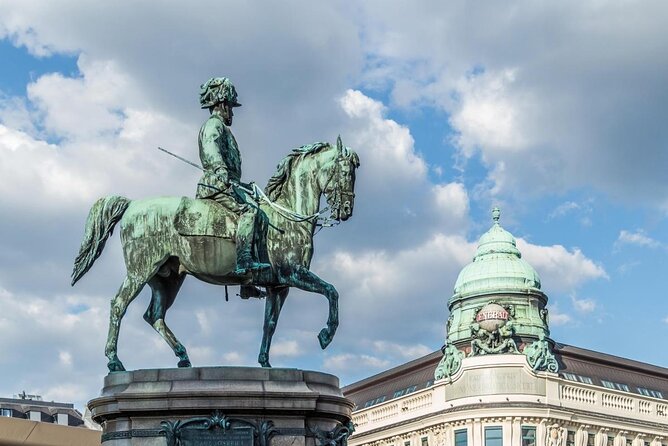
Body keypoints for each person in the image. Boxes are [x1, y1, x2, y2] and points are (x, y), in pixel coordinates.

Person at [196, 77, 270, 275]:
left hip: (227, 182)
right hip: (216, 184)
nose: (232, 112)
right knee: (249, 212)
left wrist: (243, 185)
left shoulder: (222, 126)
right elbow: (210, 146)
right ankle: (244, 261)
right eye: (231, 106)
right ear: (222, 104)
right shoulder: (214, 125)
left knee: (258, 207)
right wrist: (220, 169)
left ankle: (249, 282)